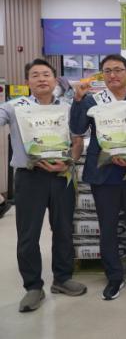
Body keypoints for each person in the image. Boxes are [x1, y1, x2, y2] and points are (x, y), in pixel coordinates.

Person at [0, 59, 87, 312]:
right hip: (29, 177)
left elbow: (77, 141)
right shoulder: (15, 107)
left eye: (46, 74)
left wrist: (69, 161)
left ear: (54, 79)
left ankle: (62, 278)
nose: (41, 79)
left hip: (62, 175)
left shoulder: (68, 108)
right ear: (27, 81)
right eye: (35, 75)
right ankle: (33, 287)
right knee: (28, 235)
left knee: (63, 229)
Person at [70, 54, 126, 301]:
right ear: (102, 75)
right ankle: (114, 276)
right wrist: (77, 100)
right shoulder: (92, 99)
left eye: (118, 69)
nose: (113, 75)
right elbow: (77, 128)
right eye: (107, 71)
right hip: (103, 172)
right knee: (107, 226)